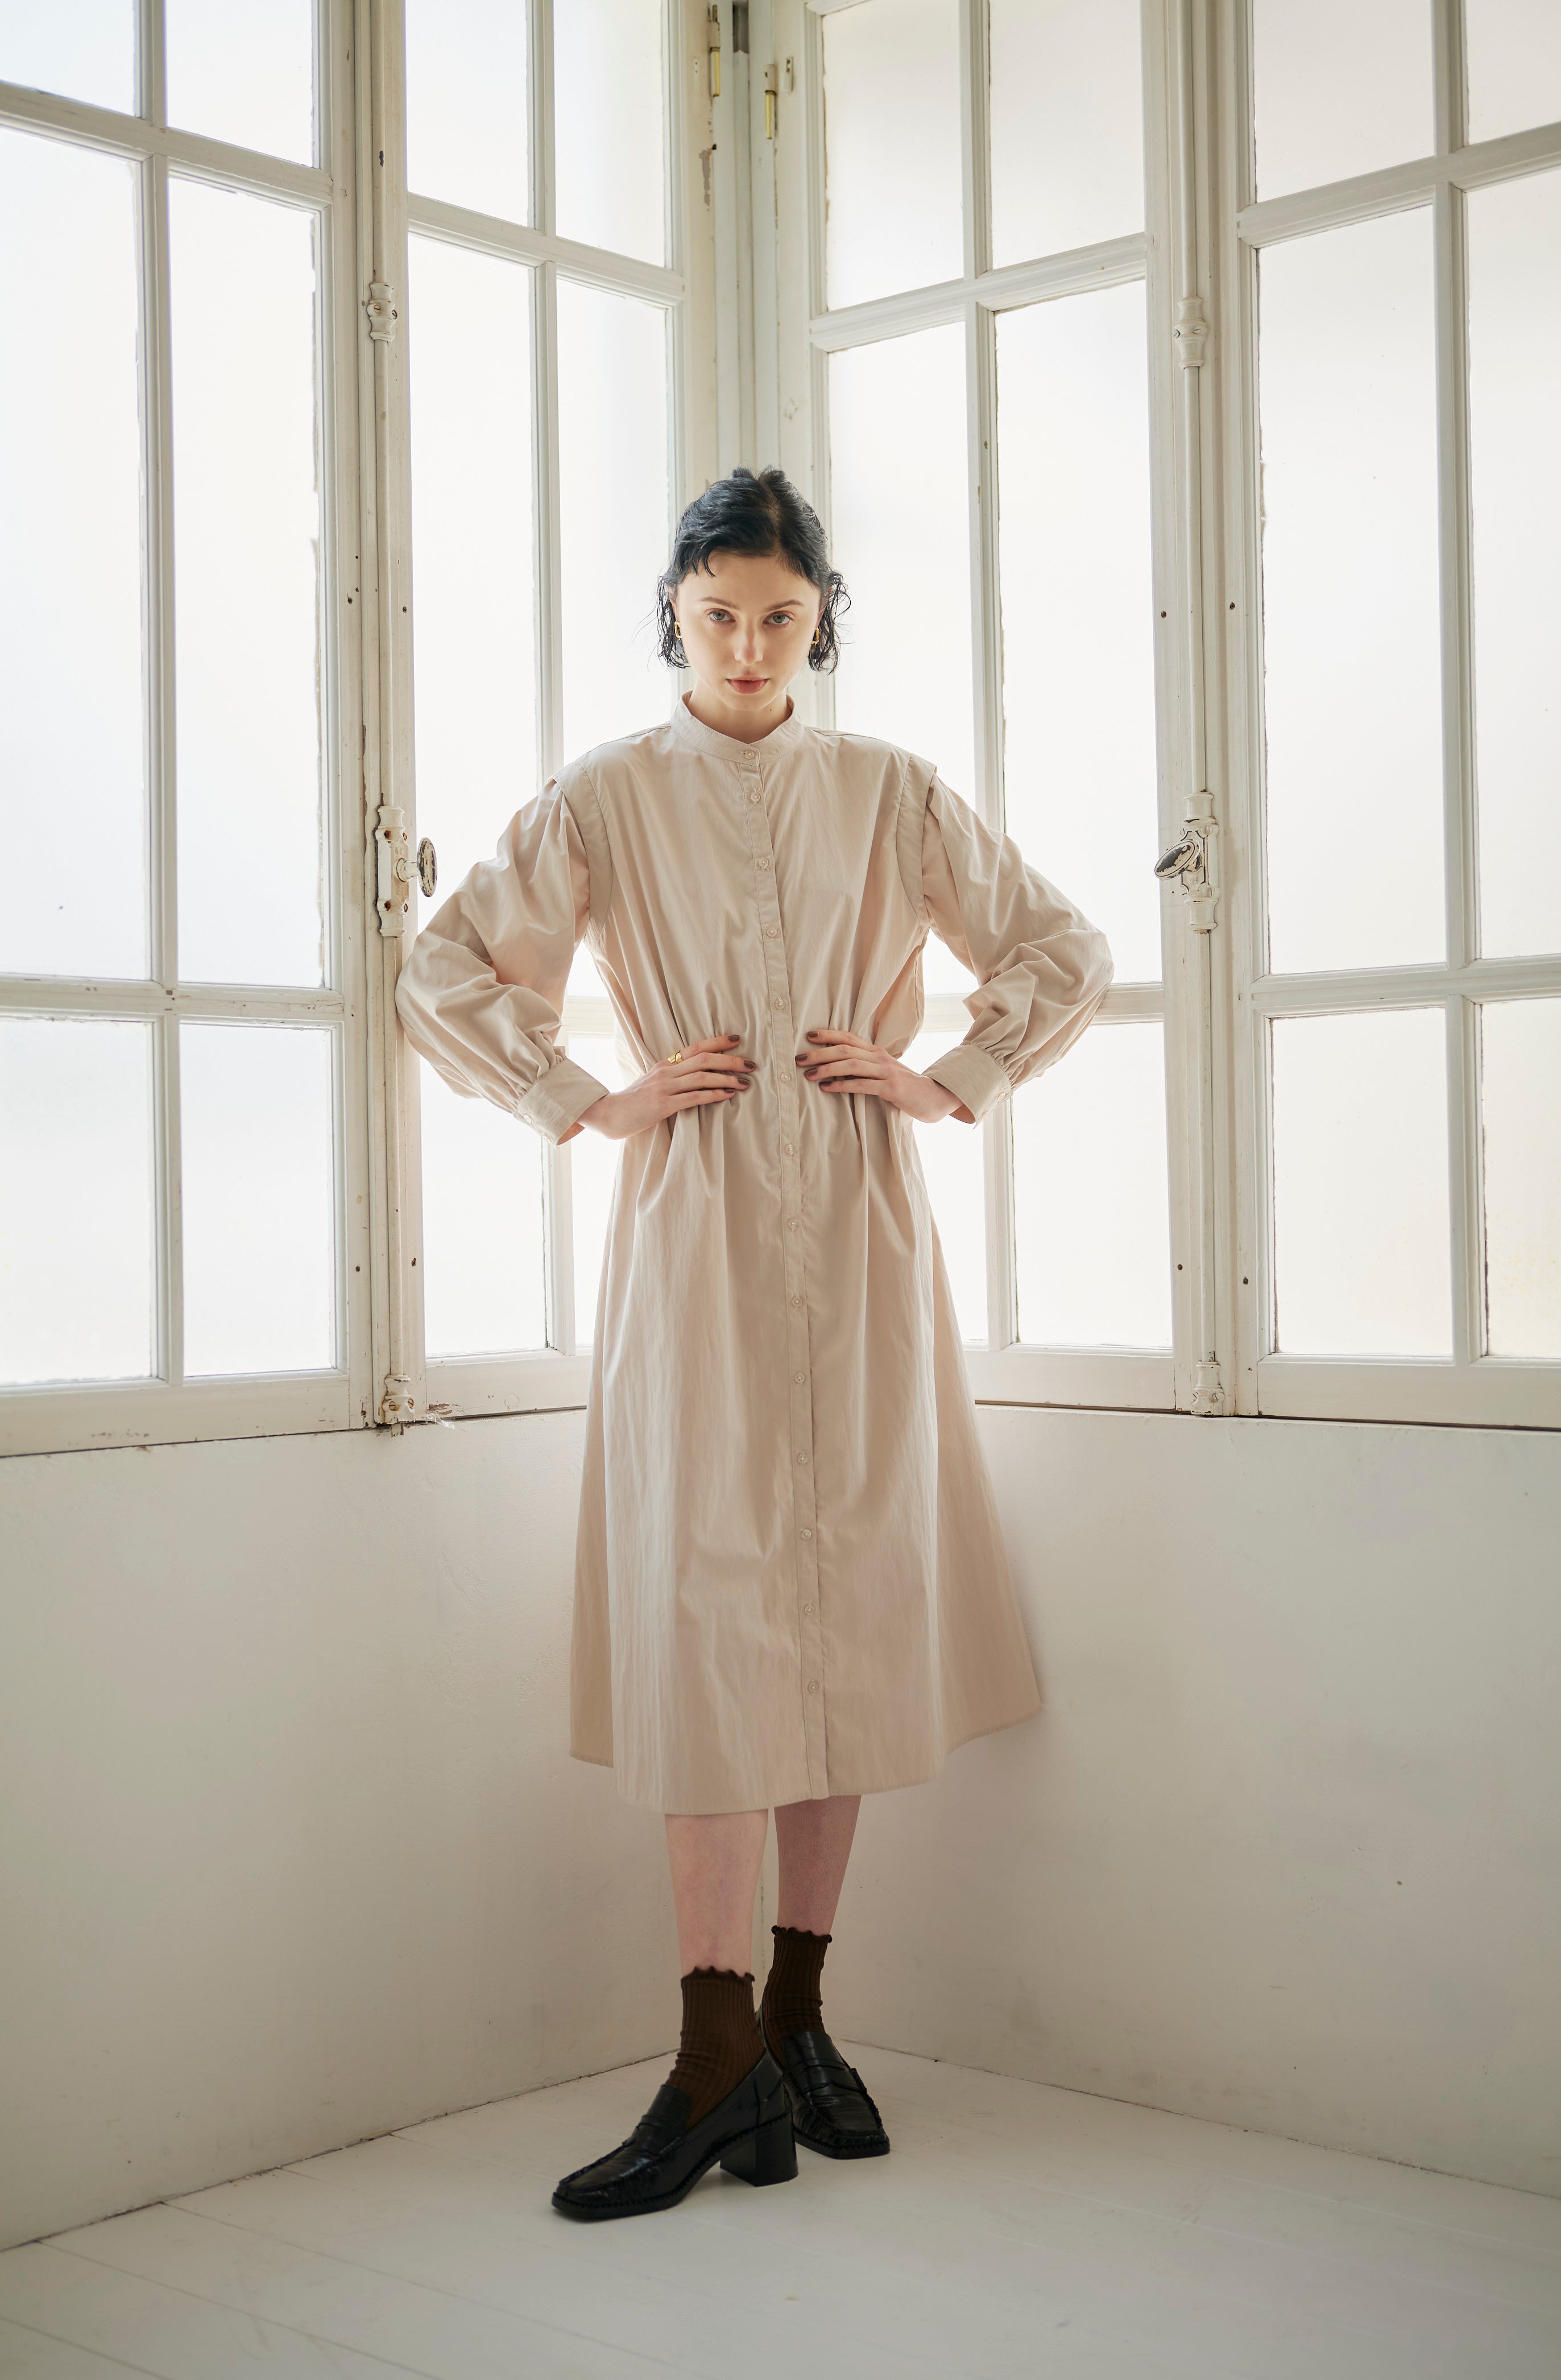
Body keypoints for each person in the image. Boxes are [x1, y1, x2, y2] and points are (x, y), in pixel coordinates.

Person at [394, 465, 1113, 2222]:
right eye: (716, 613)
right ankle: (713, 2050)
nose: (745, 644)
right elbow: (445, 967)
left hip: (861, 1226)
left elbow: (1063, 944)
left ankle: (794, 2022)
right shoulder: (604, 797)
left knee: (847, 1617)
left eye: (780, 616)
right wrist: (587, 1097)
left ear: (820, 621)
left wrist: (950, 1075)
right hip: (697, 1225)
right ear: (673, 613)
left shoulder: (888, 790)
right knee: (710, 1629)